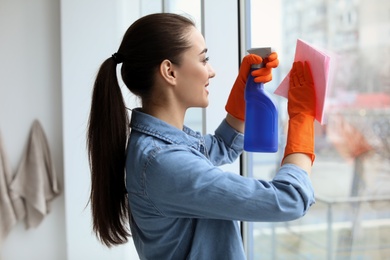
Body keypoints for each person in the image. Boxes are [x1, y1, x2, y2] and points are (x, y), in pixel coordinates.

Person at [87, 12, 316, 259]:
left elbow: (221, 147)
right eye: (204, 60)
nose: (212, 71)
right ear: (169, 72)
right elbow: (289, 199)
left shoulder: (161, 146)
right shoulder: (163, 162)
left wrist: (245, 93)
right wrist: (302, 118)